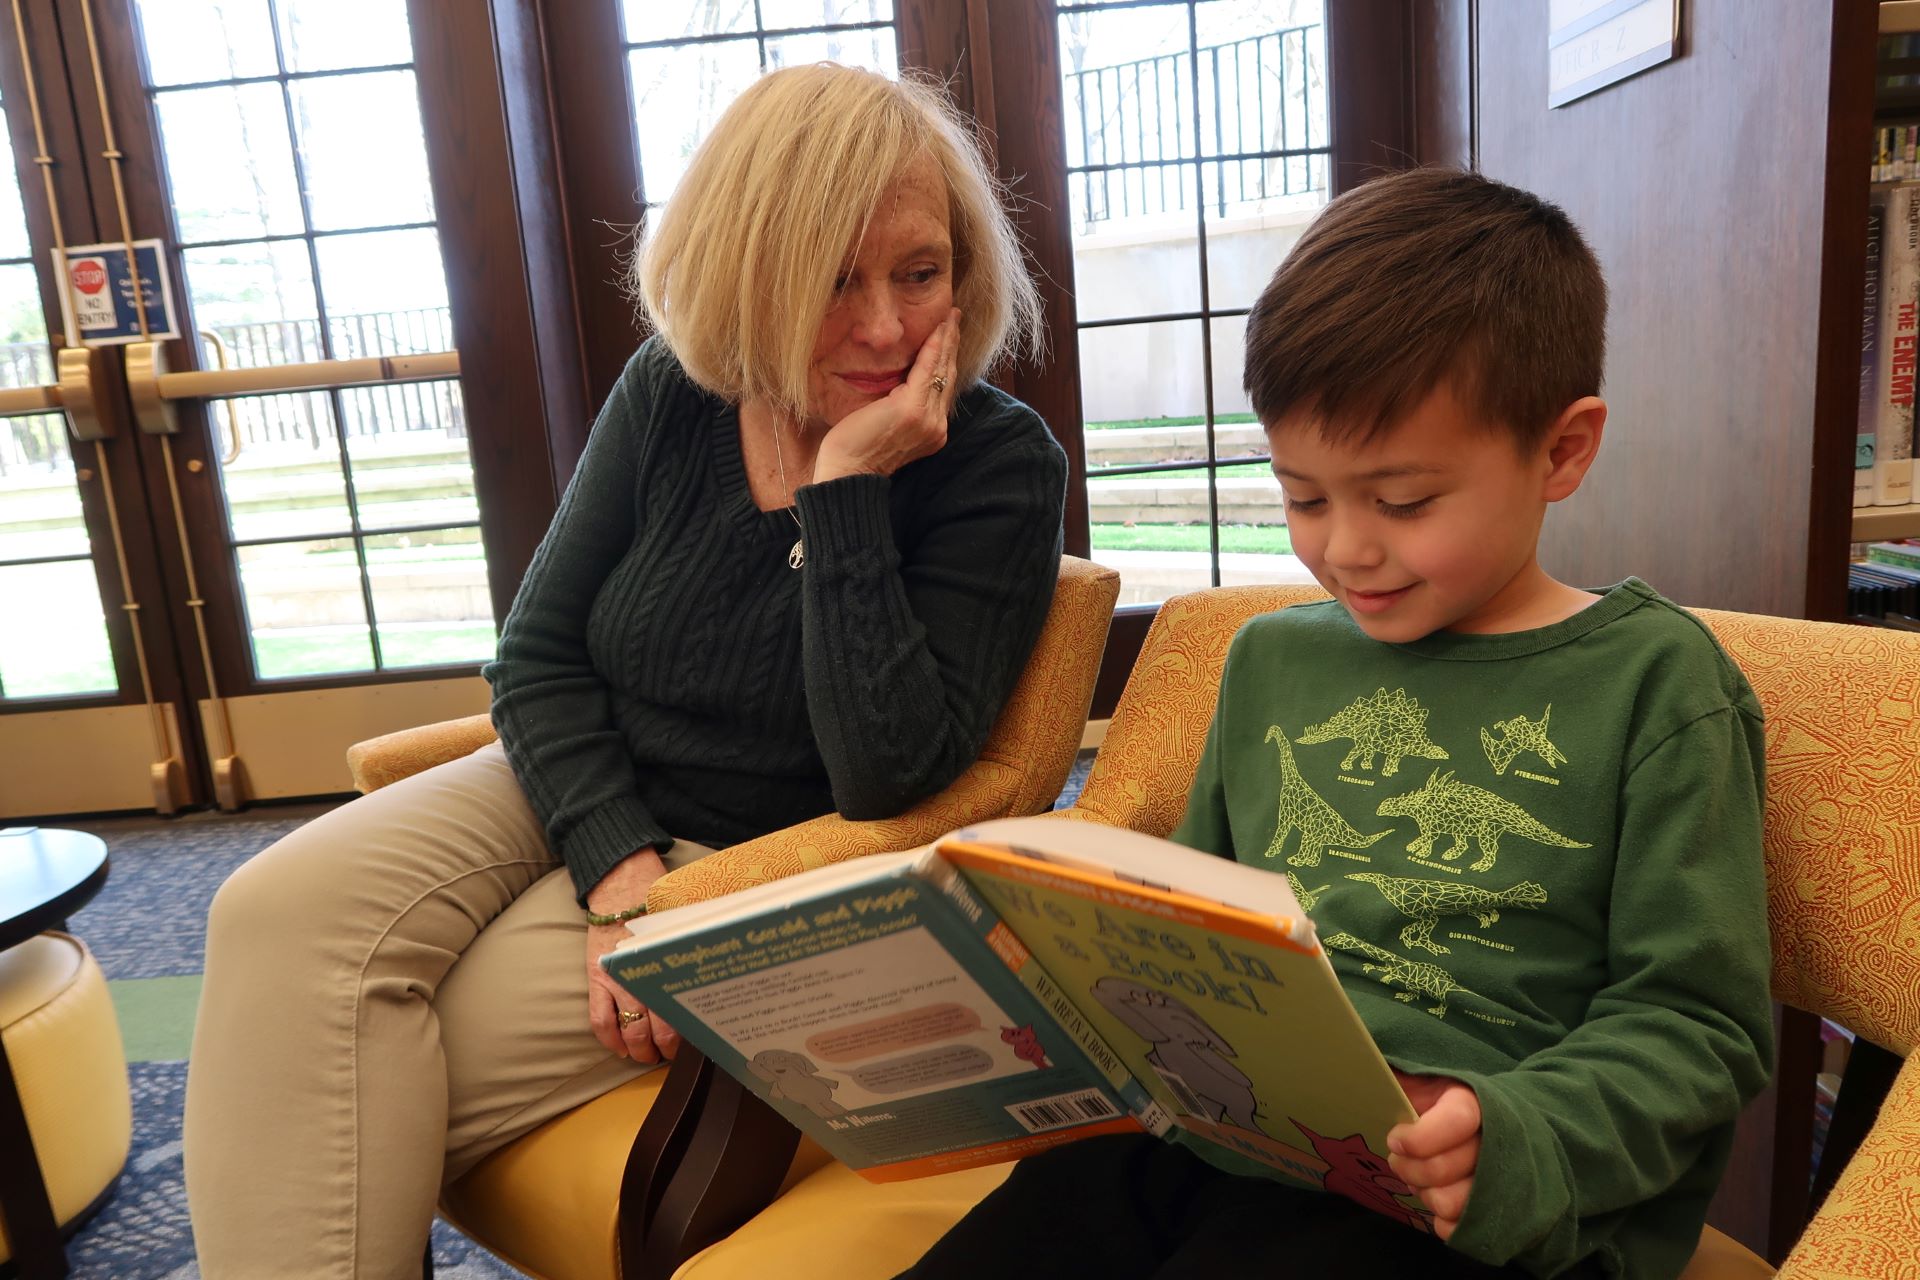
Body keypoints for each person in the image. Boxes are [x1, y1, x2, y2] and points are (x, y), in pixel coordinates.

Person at [184, 63, 1067, 1278]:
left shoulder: (998, 466)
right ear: (747, 273)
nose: (885, 327)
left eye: (920, 273)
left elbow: (889, 772)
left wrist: (846, 494)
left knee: (359, 1052)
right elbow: (539, 655)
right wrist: (618, 872)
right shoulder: (674, 392)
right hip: (580, 785)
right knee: (265, 908)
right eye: (831, 279)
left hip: (755, 849)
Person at [900, 167, 1773, 1280]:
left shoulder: (1656, 682)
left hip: (1463, 1194)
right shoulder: (1273, 657)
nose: (1345, 546)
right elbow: (1188, 913)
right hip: (1229, 1131)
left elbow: (1701, 1022)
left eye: (1402, 501)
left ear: (1562, 451)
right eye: (1304, 495)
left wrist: (1522, 1133)